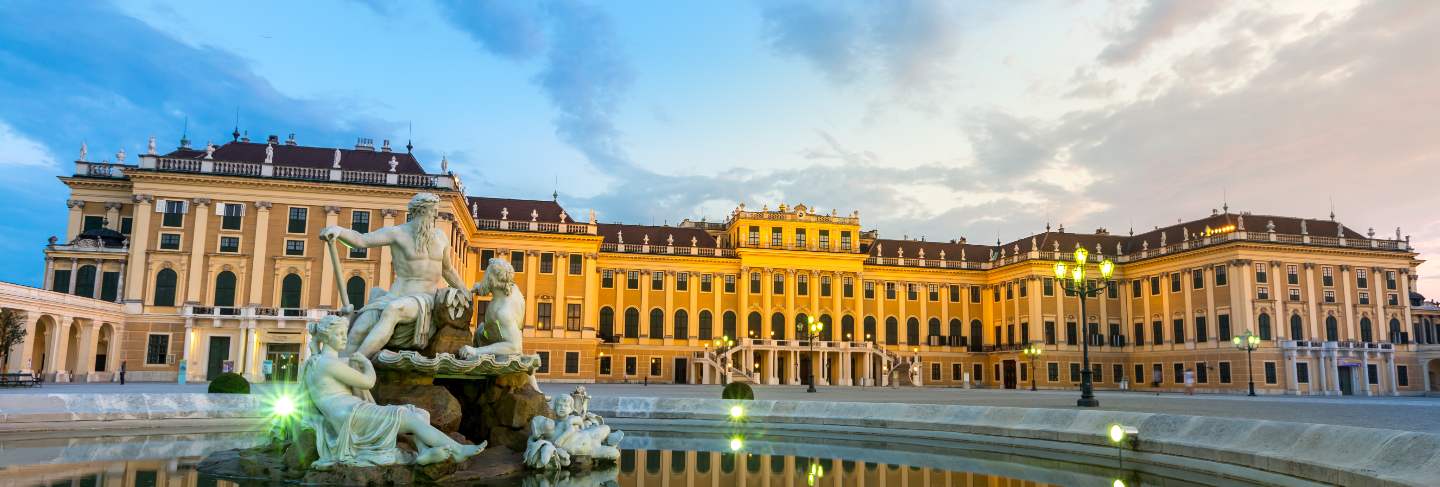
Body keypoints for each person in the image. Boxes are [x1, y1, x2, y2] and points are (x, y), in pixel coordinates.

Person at [302, 315, 484, 467]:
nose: (344, 338)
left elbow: (318, 354)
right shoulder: (327, 363)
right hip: (351, 417)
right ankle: (458, 450)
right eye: (339, 334)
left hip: (353, 412)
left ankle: (423, 452)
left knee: (419, 413)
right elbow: (368, 382)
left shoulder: (318, 361)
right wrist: (367, 364)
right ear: (326, 338)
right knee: (405, 415)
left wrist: (314, 345)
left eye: (344, 333)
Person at [320, 193, 473, 359]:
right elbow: (362, 240)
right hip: (395, 295)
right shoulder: (397, 233)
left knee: (394, 310)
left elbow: (448, 269)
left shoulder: (441, 237)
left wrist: (465, 292)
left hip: (425, 299)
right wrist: (338, 230)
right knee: (359, 328)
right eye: (432, 211)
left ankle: (356, 363)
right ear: (420, 211)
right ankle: (338, 370)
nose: (435, 215)